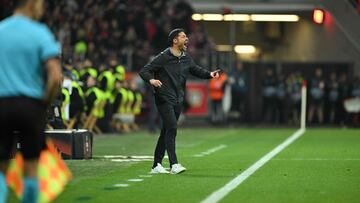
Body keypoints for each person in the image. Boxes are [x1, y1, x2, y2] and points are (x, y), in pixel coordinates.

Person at [0, 0, 62, 202]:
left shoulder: (1, 30)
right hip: (31, 106)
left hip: (2, 104)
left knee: (1, 168)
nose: (42, 8)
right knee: (32, 169)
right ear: (31, 3)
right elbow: (55, 77)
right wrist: (44, 103)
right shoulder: (40, 32)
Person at [139, 28, 220, 174]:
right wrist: (152, 80)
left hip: (178, 99)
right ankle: (174, 164)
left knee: (166, 131)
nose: (186, 38)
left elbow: (196, 69)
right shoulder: (164, 57)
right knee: (172, 128)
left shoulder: (185, 57)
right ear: (175, 41)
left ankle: (156, 164)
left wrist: (210, 74)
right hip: (163, 97)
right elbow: (144, 71)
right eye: (183, 36)